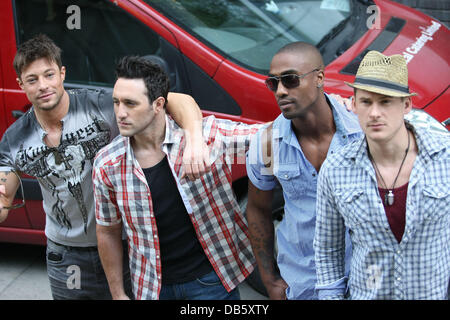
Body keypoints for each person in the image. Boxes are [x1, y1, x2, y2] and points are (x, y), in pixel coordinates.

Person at [0, 34, 208, 300]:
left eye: (49, 75)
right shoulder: (16, 138)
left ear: (62, 74)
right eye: (32, 79)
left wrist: (195, 139)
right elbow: (4, 190)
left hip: (124, 244)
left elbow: (177, 100)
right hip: (67, 256)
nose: (43, 85)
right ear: (21, 85)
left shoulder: (99, 105)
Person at [92, 56, 262, 300]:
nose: (120, 113)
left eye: (130, 103)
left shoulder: (204, 138)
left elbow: (267, 137)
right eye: (116, 102)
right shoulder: (108, 164)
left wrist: (329, 107)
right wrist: (118, 293)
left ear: (159, 104)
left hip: (210, 282)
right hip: (152, 288)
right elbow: (107, 231)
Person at [314, 50, 449, 300]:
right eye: (366, 102)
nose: (375, 113)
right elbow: (327, 249)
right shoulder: (335, 169)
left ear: (406, 105)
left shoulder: (445, 156)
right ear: (353, 105)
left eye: (385, 101)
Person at [245, 41, 362, 300]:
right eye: (273, 83)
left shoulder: (360, 129)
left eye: (290, 80)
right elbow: (257, 209)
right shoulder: (267, 143)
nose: (280, 91)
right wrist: (270, 280)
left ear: (319, 77)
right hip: (304, 281)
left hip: (363, 275)